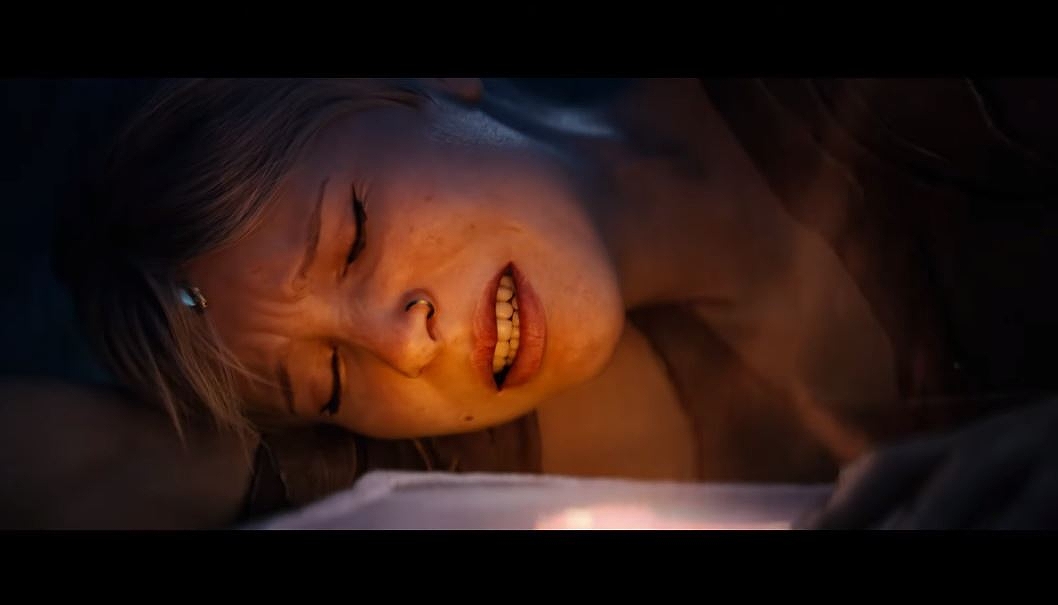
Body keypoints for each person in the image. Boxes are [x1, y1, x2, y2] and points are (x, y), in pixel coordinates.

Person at [13, 77, 1058, 528]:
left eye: (353, 234)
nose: (399, 342)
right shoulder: (611, 440)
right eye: (330, 379)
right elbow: (81, 471)